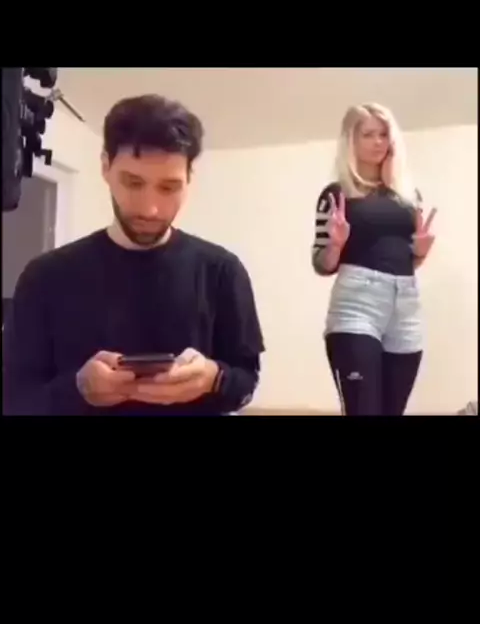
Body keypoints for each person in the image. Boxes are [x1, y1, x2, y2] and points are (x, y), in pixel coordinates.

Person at [3, 95, 265, 416]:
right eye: (133, 182)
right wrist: (78, 389)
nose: (150, 209)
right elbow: (14, 402)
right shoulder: (44, 278)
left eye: (169, 188)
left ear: (189, 179)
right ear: (105, 167)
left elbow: (245, 381)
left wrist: (214, 378)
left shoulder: (223, 271)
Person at [312, 103, 437, 416]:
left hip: (406, 304)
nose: (378, 142)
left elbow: (407, 261)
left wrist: (421, 253)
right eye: (368, 134)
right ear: (350, 139)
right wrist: (336, 245)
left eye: (384, 134)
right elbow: (321, 264)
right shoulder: (336, 194)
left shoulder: (409, 195)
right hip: (357, 304)